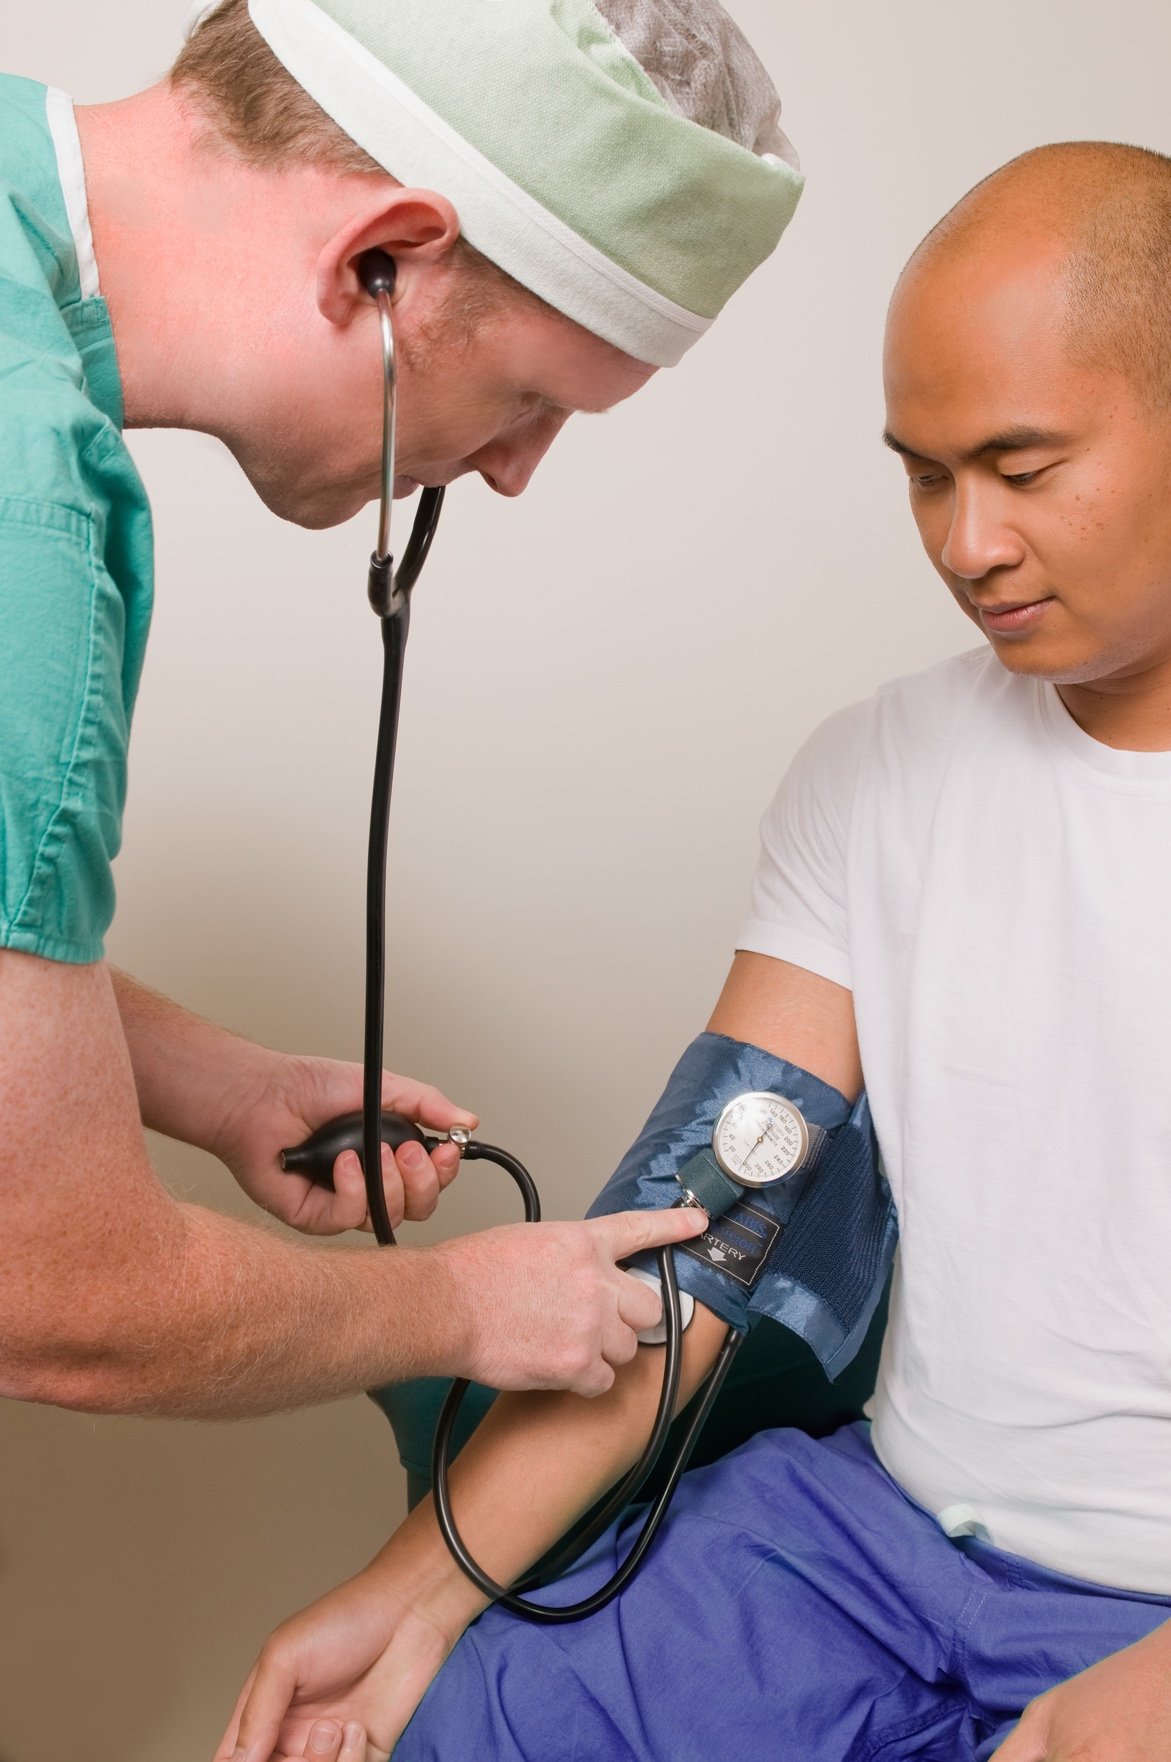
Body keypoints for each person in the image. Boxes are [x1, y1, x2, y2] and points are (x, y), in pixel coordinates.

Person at [220, 139, 1171, 1762]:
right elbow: (711, 1235)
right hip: (872, 1545)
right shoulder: (874, 774)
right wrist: (418, 1591)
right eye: (922, 474)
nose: (964, 543)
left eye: (1022, 466)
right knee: (463, 1725)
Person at [0, 1, 802, 1429]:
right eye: (526, 401)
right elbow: (58, 1297)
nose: (509, 473)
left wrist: (209, 1080)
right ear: (380, 259)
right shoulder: (26, 518)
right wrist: (466, 1302)